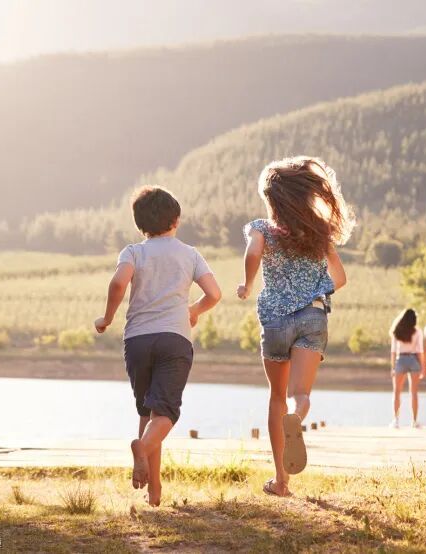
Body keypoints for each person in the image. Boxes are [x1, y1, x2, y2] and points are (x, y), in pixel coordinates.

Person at [95, 186, 221, 506]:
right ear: (176, 220)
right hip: (174, 339)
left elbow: (118, 282)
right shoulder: (190, 254)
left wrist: (107, 318)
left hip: (137, 340)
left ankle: (154, 489)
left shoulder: (133, 252)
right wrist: (194, 311)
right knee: (164, 413)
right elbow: (214, 294)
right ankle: (141, 448)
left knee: (147, 411)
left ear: (140, 225)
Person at [237, 156, 354, 497]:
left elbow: (253, 253)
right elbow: (341, 278)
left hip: (275, 320)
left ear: (271, 199)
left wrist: (247, 284)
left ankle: (281, 480)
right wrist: (318, 290)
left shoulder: (261, 228)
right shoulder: (318, 232)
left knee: (276, 396)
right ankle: (297, 417)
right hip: (312, 318)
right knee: (298, 395)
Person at [389, 308, 426, 428]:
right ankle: (414, 421)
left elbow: (393, 351)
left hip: (400, 360)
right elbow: (420, 351)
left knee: (396, 392)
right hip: (413, 360)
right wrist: (423, 367)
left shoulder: (396, 331)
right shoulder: (417, 331)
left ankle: (396, 421)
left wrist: (393, 367)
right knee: (414, 392)